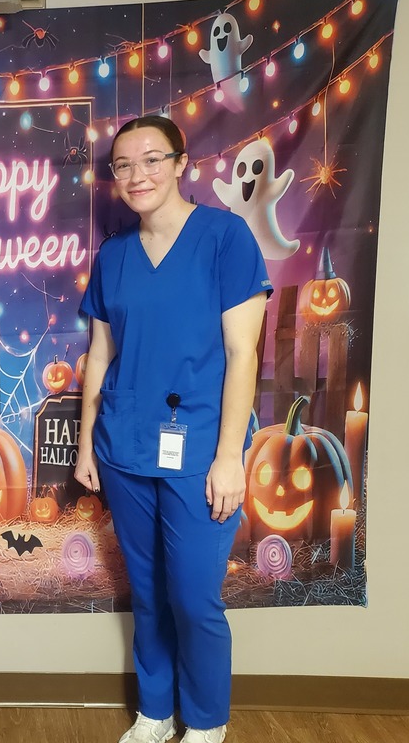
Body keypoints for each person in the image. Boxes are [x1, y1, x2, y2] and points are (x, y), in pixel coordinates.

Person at [75, 116, 271, 743]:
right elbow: (99, 355)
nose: (138, 175)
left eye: (152, 159)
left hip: (201, 453)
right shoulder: (114, 256)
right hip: (124, 447)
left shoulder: (225, 238)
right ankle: (155, 712)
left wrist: (230, 458)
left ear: (183, 163)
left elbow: (245, 354)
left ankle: (206, 723)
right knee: (150, 593)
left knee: (194, 598)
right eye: (124, 165)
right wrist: (85, 443)